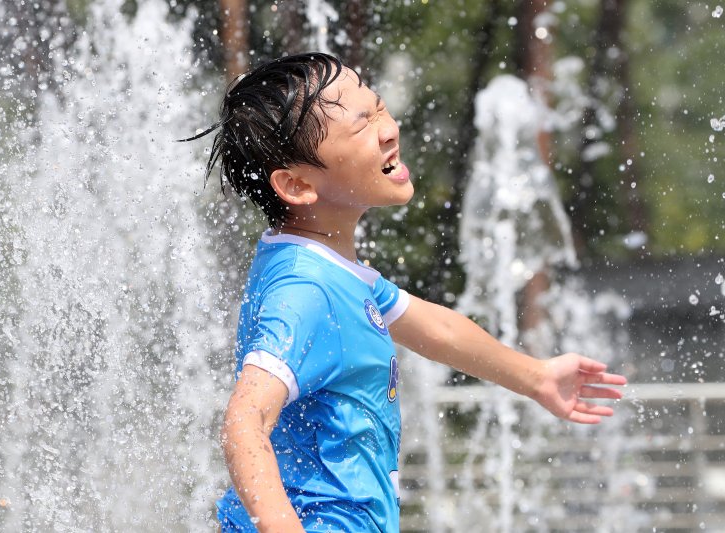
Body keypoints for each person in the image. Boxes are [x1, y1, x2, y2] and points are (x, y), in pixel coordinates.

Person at [184, 52, 627, 533]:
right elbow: (244, 423)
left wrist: (536, 377)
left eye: (378, 107)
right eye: (361, 125)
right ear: (296, 184)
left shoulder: (336, 273)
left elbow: (437, 329)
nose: (389, 127)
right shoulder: (306, 289)